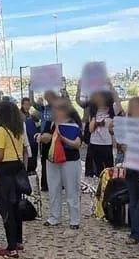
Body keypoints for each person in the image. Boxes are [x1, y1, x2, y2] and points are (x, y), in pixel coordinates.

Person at [0, 99, 27, 258]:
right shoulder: (17, 131)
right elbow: (22, 151)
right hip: (16, 170)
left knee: (4, 207)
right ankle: (18, 241)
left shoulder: (0, 131)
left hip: (5, 172)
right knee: (15, 208)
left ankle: (11, 248)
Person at [44, 99, 83, 229]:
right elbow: (46, 137)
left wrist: (63, 138)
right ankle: (55, 216)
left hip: (70, 160)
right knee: (54, 189)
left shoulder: (74, 125)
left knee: (72, 189)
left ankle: (74, 220)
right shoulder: (51, 124)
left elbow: (77, 144)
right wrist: (42, 137)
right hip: (52, 159)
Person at [120, 96, 139, 248]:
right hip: (132, 166)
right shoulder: (128, 125)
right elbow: (120, 142)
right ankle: (136, 232)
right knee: (134, 202)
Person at [85, 91, 116, 178]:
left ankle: (108, 186)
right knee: (99, 169)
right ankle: (100, 184)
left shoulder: (111, 113)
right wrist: (96, 121)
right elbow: (90, 129)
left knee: (109, 168)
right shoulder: (94, 113)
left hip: (107, 143)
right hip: (95, 143)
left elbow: (113, 131)